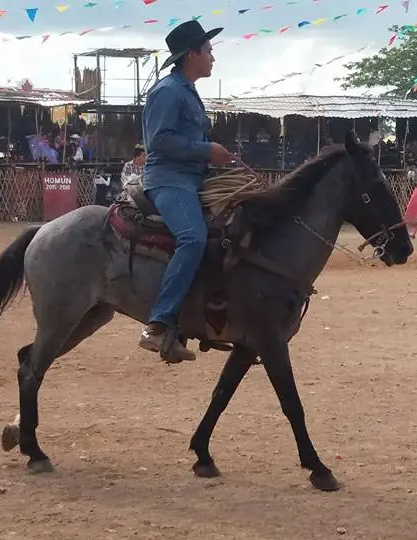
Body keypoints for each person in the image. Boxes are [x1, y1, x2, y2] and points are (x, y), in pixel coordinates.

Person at [139, 21, 234, 363]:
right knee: (193, 238)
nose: (213, 57)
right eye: (208, 50)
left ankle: (213, 317)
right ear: (191, 54)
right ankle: (159, 325)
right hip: (168, 180)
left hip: (192, 178)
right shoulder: (168, 91)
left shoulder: (188, 91)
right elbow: (158, 141)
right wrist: (206, 150)